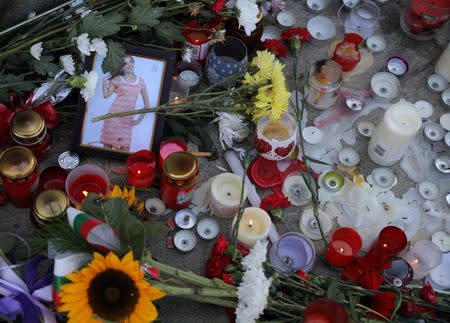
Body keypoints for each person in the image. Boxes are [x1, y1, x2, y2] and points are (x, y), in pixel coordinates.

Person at [100, 55, 149, 151]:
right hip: (113, 119)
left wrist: (139, 120)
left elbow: (146, 104)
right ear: (121, 66)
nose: (129, 65)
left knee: (125, 149)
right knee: (107, 149)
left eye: (130, 61)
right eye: (125, 63)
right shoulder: (117, 79)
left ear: (133, 63)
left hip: (127, 120)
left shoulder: (140, 81)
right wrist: (104, 81)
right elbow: (106, 95)